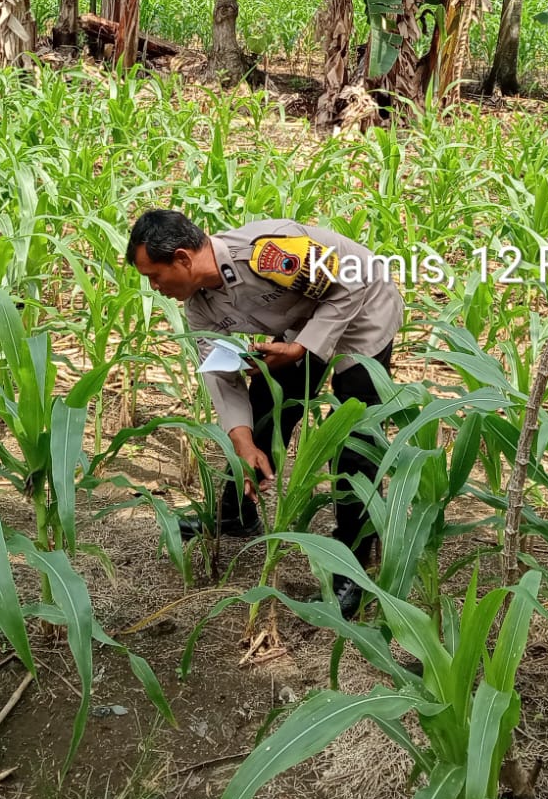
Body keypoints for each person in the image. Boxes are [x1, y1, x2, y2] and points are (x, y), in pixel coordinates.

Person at [127, 209, 403, 617]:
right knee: (264, 409)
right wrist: (242, 441)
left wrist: (302, 348)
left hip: (364, 309)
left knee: (354, 438)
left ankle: (354, 566)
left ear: (183, 258)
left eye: (155, 276)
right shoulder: (200, 308)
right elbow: (221, 376)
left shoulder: (266, 252)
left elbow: (353, 280)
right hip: (304, 316)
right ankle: (236, 515)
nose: (154, 287)